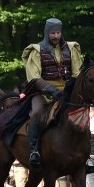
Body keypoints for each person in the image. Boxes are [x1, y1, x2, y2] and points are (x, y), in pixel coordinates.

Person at [21, 17, 83, 165]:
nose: (56, 36)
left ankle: (83, 152)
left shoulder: (71, 48)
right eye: (53, 33)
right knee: (36, 113)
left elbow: (77, 73)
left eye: (58, 33)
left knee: (82, 111)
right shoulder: (36, 51)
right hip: (42, 92)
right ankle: (34, 149)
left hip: (66, 91)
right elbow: (34, 77)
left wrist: (70, 88)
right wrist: (52, 90)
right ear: (47, 33)